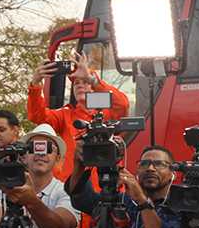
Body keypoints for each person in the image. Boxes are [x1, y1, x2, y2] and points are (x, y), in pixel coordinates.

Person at [26, 50, 130, 182]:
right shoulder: (65, 115)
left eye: (85, 82)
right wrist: (35, 83)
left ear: (94, 87)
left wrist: (92, 79)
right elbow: (37, 115)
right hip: (74, 187)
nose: (80, 85)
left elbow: (123, 104)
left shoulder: (109, 113)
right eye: (76, 83)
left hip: (107, 183)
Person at [68, 144, 181, 228]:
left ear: (173, 174)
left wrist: (142, 200)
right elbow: (83, 200)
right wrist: (79, 164)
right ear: (137, 172)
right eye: (144, 164)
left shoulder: (181, 205)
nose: (150, 169)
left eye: (160, 164)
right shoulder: (124, 201)